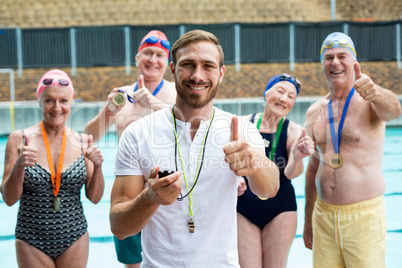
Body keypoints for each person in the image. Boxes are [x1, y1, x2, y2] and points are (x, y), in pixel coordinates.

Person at [109, 29, 280, 267]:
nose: (197, 76)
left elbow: (270, 189)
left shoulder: (240, 129)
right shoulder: (138, 133)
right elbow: (119, 228)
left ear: (221, 74)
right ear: (173, 70)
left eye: (208, 66)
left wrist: (255, 163)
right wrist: (149, 198)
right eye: (188, 64)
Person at [303, 32, 401, 268]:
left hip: (363, 217)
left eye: (342, 56)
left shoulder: (370, 101)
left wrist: (376, 92)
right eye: (328, 57)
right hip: (323, 217)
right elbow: (312, 169)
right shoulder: (314, 111)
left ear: (354, 62)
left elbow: (394, 110)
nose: (335, 62)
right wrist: (308, 221)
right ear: (322, 64)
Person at [84, 30, 176, 268]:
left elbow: (190, 126)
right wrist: (108, 112)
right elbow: (90, 136)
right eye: (147, 53)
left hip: (167, 190)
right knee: (132, 262)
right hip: (129, 191)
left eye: (159, 55)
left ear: (168, 63)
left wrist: (154, 104)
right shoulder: (121, 95)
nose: (153, 59)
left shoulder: (177, 93)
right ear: (137, 58)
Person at [1, 69, 105, 267]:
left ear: (71, 103)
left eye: (63, 101)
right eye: (49, 100)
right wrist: (19, 165)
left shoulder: (83, 142)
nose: (56, 107)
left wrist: (98, 166)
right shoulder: (19, 139)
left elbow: (96, 197)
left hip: (74, 236)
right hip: (31, 239)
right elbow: (8, 199)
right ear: (40, 102)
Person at [236, 74, 314, 267]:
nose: (283, 99)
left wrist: (296, 157)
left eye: (290, 97)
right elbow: (227, 160)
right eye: (280, 91)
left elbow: (290, 174)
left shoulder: (294, 131)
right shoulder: (243, 124)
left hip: (281, 210)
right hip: (242, 209)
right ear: (266, 92)